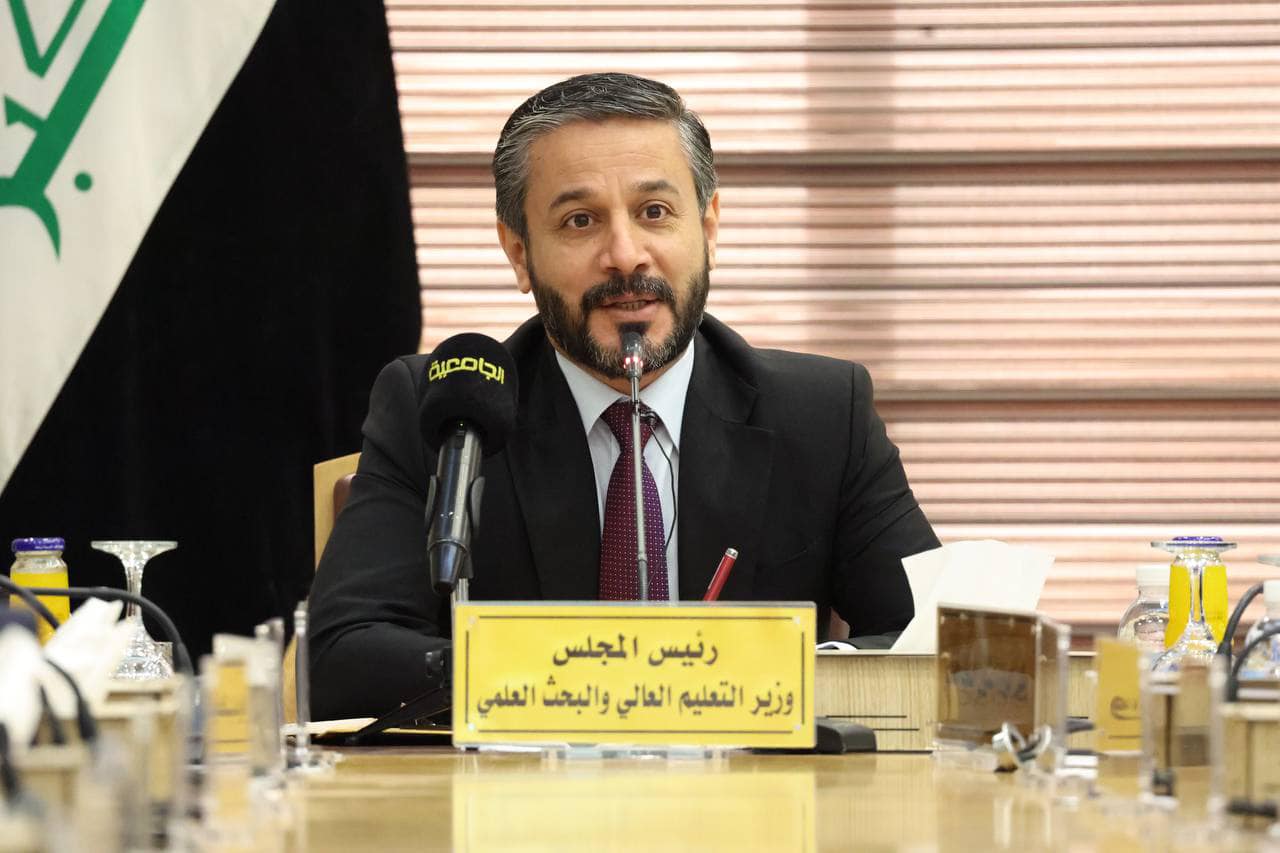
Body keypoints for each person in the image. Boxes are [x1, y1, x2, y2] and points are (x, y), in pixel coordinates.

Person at [308, 73, 939, 720]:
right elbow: (339, 659)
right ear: (519, 253)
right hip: (520, 783)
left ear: (709, 229)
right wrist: (589, 681)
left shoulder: (822, 414)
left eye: (654, 212)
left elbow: (936, 645)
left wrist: (749, 679)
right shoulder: (446, 408)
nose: (626, 255)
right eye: (580, 221)